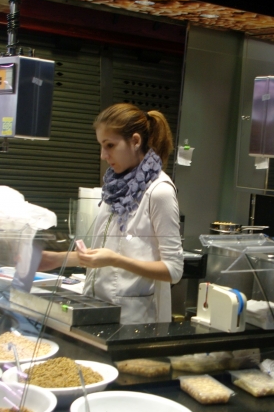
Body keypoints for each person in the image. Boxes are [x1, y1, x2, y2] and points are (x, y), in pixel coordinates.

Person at [39, 103, 183, 324]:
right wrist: (57, 259)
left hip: (135, 320)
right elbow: (106, 255)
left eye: (110, 145)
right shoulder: (114, 188)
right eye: (101, 146)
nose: (103, 155)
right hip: (97, 309)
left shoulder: (159, 191)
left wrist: (116, 260)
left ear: (135, 141)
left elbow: (173, 270)